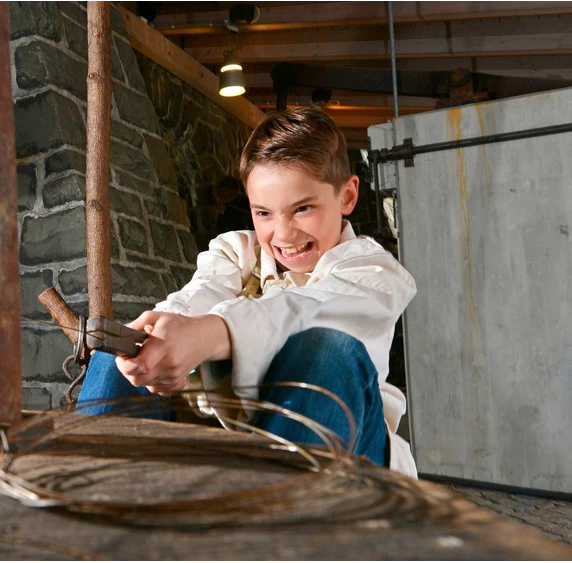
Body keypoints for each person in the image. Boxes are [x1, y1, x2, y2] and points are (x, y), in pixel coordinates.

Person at [77, 107, 418, 477]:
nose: (283, 234)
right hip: (247, 444)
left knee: (326, 348)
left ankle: (273, 507)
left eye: (303, 208)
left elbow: (301, 309)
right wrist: (161, 336)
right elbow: (201, 294)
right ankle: (86, 491)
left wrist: (210, 333)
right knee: (124, 355)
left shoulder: (375, 271)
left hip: (354, 455)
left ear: (347, 196)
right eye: (264, 213)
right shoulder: (237, 252)